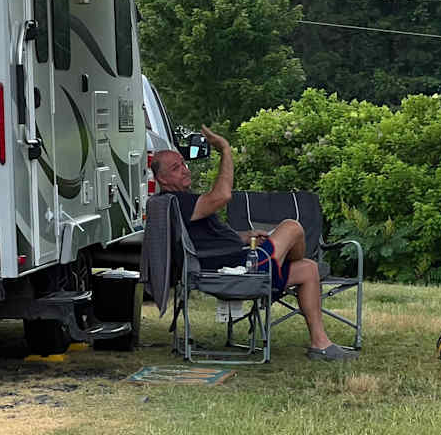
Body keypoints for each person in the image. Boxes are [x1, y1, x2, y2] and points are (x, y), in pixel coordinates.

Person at [152, 126, 355, 361]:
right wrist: (226, 150)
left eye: (183, 164)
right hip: (234, 272)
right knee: (292, 227)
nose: (185, 171)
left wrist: (246, 236)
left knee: (308, 270)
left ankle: (320, 344)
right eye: (176, 168)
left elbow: (209, 241)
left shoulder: (179, 202)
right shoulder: (178, 201)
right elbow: (222, 195)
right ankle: (280, 263)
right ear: (162, 179)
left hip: (239, 263)